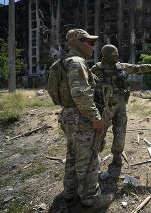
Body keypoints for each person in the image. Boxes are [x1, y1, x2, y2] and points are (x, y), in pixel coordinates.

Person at [48, 29, 114, 213]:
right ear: (76, 42)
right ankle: (90, 201)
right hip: (81, 117)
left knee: (73, 156)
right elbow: (81, 94)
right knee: (89, 159)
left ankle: (69, 194)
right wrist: (96, 118)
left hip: (69, 115)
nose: (92, 46)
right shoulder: (77, 62)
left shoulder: (62, 62)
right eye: (88, 42)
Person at [90, 44, 151, 167]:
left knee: (120, 132)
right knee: (100, 134)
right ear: (108, 54)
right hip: (104, 107)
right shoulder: (96, 69)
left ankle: (116, 157)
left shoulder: (121, 67)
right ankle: (94, 159)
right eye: (115, 53)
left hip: (120, 106)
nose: (117, 54)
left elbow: (140, 68)